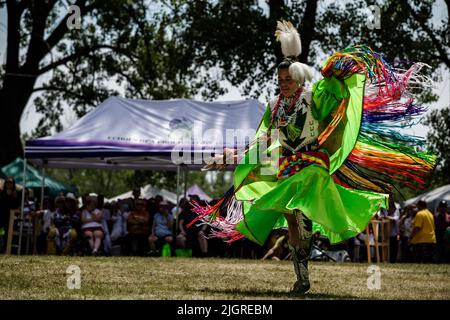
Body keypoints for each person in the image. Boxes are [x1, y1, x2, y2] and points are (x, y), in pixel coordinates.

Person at [192, 21, 435, 294]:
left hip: (312, 163)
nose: (284, 84)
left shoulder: (313, 97)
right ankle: (302, 275)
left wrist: (337, 73)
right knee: (293, 222)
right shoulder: (274, 105)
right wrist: (235, 156)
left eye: (289, 80)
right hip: (286, 165)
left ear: (298, 79)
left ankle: (305, 229)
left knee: (298, 207)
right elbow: (265, 139)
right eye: (280, 80)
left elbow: (336, 97)